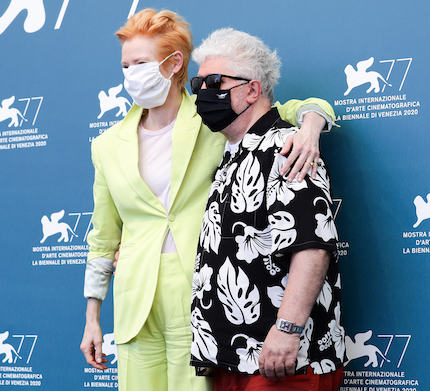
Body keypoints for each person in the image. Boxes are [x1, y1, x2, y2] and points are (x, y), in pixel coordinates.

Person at [79, 9, 336, 391]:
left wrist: (312, 124)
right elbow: (103, 235)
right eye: (125, 65)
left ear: (173, 62)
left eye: (140, 63)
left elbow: (282, 109)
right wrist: (93, 315)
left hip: (202, 309)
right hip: (138, 302)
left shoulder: (216, 122)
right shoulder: (106, 144)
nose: (131, 73)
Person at [188, 28, 344, 391]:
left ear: (253, 89)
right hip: (232, 360)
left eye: (215, 81)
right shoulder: (230, 158)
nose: (203, 93)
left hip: (284, 363)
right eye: (198, 84)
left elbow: (313, 246)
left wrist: (287, 330)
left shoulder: (287, 147)